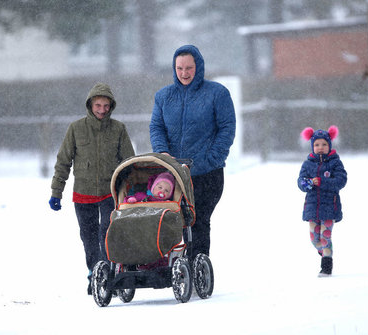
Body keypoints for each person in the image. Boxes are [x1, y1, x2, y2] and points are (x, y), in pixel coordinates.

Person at [149, 44, 236, 263]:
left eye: (189, 68)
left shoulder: (217, 93)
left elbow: (227, 127)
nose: (184, 73)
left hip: (207, 173)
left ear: (199, 66)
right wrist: (162, 152)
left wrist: (212, 158)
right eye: (179, 68)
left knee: (198, 221)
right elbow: (157, 127)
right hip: (175, 174)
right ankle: (173, 266)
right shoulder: (163, 96)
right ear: (173, 68)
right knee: (171, 221)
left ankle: (198, 265)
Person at [48, 82, 135, 294]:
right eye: (98, 105)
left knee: (106, 233)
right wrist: (56, 192)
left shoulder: (118, 129)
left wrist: (131, 190)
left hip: (109, 193)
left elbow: (129, 162)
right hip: (83, 194)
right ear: (90, 105)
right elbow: (63, 162)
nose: (102, 110)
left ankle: (108, 273)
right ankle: (94, 272)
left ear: (111, 106)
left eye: (106, 106)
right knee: (88, 236)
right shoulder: (76, 129)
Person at [297, 125, 347, 277]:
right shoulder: (308, 164)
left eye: (324, 144)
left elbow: (341, 180)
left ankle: (326, 265)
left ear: (329, 145)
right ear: (312, 146)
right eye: (317, 144)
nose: (320, 147)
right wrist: (309, 183)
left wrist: (324, 182)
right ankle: (324, 252)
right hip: (312, 207)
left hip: (329, 207)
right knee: (314, 238)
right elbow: (300, 181)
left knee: (326, 236)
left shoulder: (335, 162)